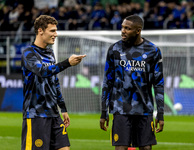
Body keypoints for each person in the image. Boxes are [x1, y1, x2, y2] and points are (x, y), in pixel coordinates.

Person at [21, 15, 86, 150]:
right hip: (36, 114)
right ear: (40, 31)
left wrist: (62, 108)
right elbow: (42, 72)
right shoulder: (28, 53)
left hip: (53, 114)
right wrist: (67, 63)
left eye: (55, 31)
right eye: (52, 31)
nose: (55, 34)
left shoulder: (50, 53)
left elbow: (54, 82)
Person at [100, 15, 164, 150]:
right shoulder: (114, 50)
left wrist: (160, 113)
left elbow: (158, 83)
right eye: (122, 27)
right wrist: (104, 111)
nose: (123, 31)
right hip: (120, 109)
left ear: (138, 30)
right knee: (121, 148)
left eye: (127, 28)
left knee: (146, 148)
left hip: (144, 110)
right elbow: (107, 82)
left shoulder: (153, 51)